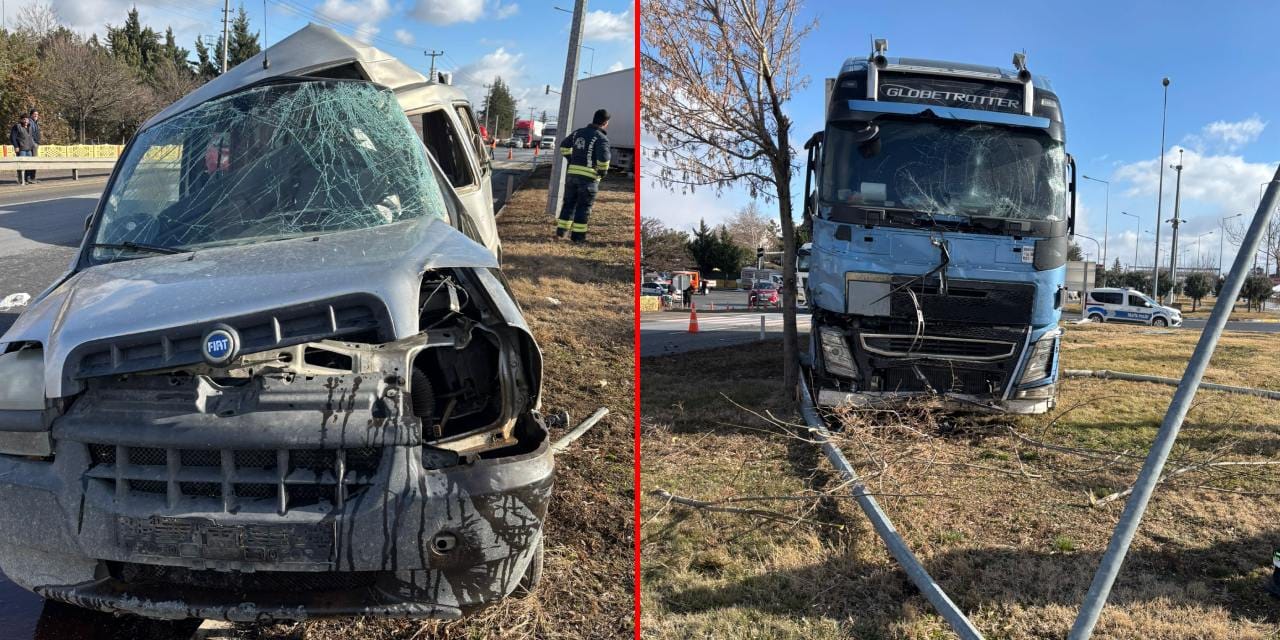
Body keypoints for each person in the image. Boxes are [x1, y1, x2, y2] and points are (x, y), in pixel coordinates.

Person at [554, 108, 611, 243]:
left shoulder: (577, 133)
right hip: (589, 178)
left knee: (568, 204)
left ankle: (561, 233)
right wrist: (602, 172)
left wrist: (571, 159)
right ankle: (578, 238)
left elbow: (563, 147)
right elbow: (603, 159)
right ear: (605, 122)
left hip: (572, 175)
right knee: (583, 207)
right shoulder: (601, 138)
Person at [9, 114, 35, 185]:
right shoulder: (17, 127)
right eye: (24, 119)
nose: (26, 121)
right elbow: (12, 137)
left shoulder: (30, 127)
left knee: (28, 165)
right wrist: (16, 146)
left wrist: (33, 145)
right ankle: (21, 180)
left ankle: (27, 179)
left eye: (27, 119)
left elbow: (30, 138)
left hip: (29, 149)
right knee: (21, 165)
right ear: (21, 120)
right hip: (21, 149)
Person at [27, 109, 40, 184]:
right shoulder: (30, 122)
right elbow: (30, 134)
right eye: (35, 114)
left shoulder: (35, 122)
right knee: (32, 161)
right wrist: (33, 144)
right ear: (31, 114)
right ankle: (31, 178)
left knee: (34, 161)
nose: (36, 115)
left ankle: (33, 177)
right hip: (32, 144)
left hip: (35, 144)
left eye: (37, 114)